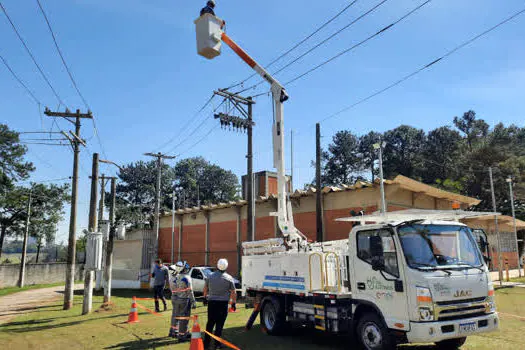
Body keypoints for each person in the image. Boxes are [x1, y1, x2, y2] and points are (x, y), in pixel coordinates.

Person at [203, 258, 236, 349]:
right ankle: (217, 344)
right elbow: (234, 292)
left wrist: (205, 298)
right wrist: (233, 303)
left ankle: (206, 343)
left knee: (210, 323)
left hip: (212, 303)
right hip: (223, 304)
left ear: (217, 265)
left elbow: (205, 288)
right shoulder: (229, 278)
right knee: (219, 325)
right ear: (226, 266)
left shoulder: (210, 276)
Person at [168, 261, 196, 341]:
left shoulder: (176, 277)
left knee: (176, 315)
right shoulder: (186, 278)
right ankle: (182, 335)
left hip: (176, 298)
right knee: (184, 318)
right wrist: (193, 301)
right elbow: (190, 291)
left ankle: (174, 331)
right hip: (184, 299)